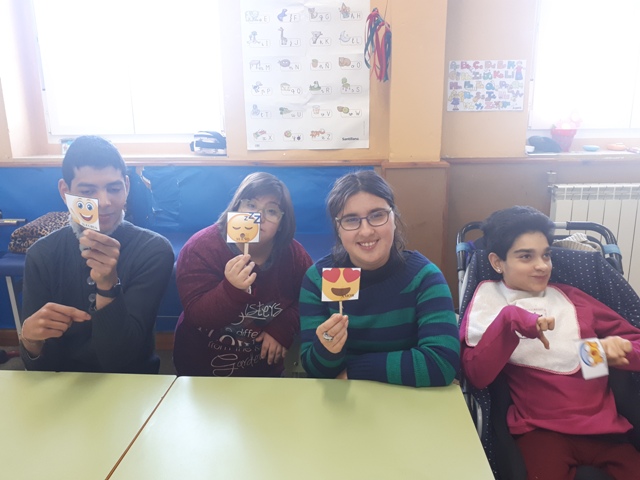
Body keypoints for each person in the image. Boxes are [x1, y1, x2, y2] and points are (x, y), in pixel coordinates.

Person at [460, 206, 640, 480]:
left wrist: (615, 352)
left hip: (607, 431)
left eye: (546, 254)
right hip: (541, 433)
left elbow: (631, 342)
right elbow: (477, 375)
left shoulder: (572, 299)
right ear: (497, 262)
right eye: (526, 256)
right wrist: (511, 321)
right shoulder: (491, 303)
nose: (542, 265)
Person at [20, 135, 175, 373]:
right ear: (65, 191)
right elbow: (40, 366)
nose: (104, 202)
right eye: (88, 190)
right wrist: (31, 340)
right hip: (64, 382)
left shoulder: (153, 250)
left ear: (127, 186)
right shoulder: (42, 255)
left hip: (131, 381)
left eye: (114, 189)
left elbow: (123, 359)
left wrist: (108, 286)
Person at [298, 170, 460, 387]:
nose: (365, 231)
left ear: (394, 219)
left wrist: (355, 369)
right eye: (351, 220)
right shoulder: (318, 279)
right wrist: (326, 348)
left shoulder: (424, 278)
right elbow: (315, 370)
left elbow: (441, 363)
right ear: (338, 229)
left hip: (410, 404)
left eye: (377, 215)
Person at [173, 172, 313, 377]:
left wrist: (283, 328)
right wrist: (231, 290)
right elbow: (198, 315)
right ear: (236, 207)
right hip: (200, 367)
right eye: (251, 205)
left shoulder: (294, 256)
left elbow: (309, 299)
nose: (259, 217)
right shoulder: (200, 248)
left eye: (272, 211)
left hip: (264, 369)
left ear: (282, 222)